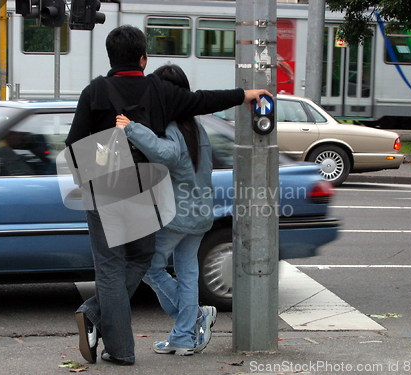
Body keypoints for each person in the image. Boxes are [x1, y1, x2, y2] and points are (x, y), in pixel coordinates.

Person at [65, 24, 272, 366]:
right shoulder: (161, 91)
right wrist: (245, 95)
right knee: (141, 259)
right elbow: (204, 99)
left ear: (110, 57)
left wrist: (89, 178)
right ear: (143, 59)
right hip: (145, 193)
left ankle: (119, 347)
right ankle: (100, 321)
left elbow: (73, 144)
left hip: (104, 192)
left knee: (111, 268)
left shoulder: (95, 91)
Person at [115, 64, 216, 356]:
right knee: (187, 272)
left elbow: (167, 154)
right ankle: (184, 336)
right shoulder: (196, 127)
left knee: (148, 266)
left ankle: (194, 318)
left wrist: (130, 128)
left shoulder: (173, 127)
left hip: (178, 216)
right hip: (199, 214)